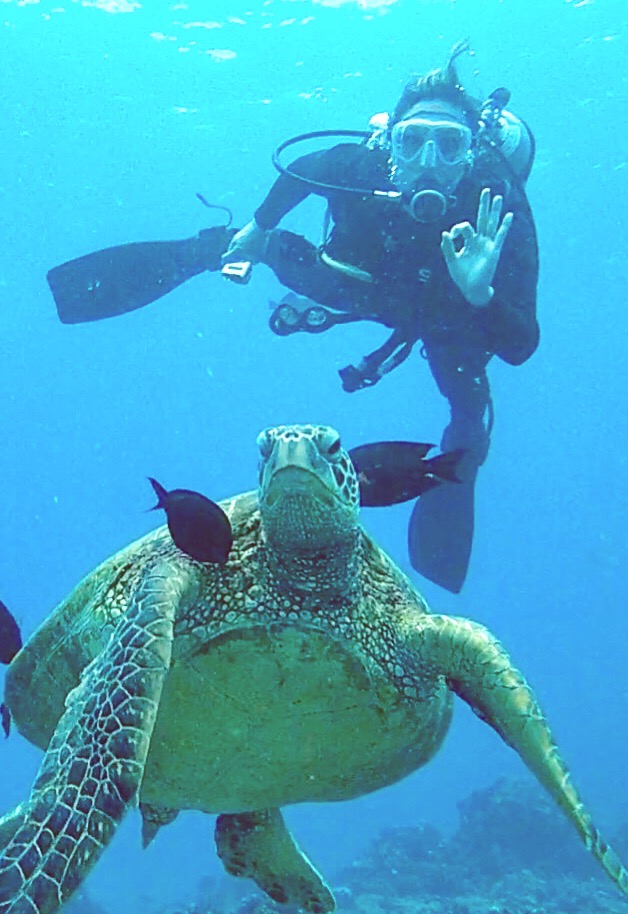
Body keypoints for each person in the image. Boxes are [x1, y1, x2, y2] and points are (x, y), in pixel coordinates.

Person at [221, 43, 540, 593]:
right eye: (412, 141)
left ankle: (448, 502)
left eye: (449, 144)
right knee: (265, 247)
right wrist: (257, 226)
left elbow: (521, 345)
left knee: (469, 415)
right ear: (388, 142)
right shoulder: (361, 166)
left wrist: (481, 294)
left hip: (453, 315)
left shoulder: (497, 204)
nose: (428, 161)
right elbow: (301, 170)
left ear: (471, 153)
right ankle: (211, 248)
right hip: (365, 285)